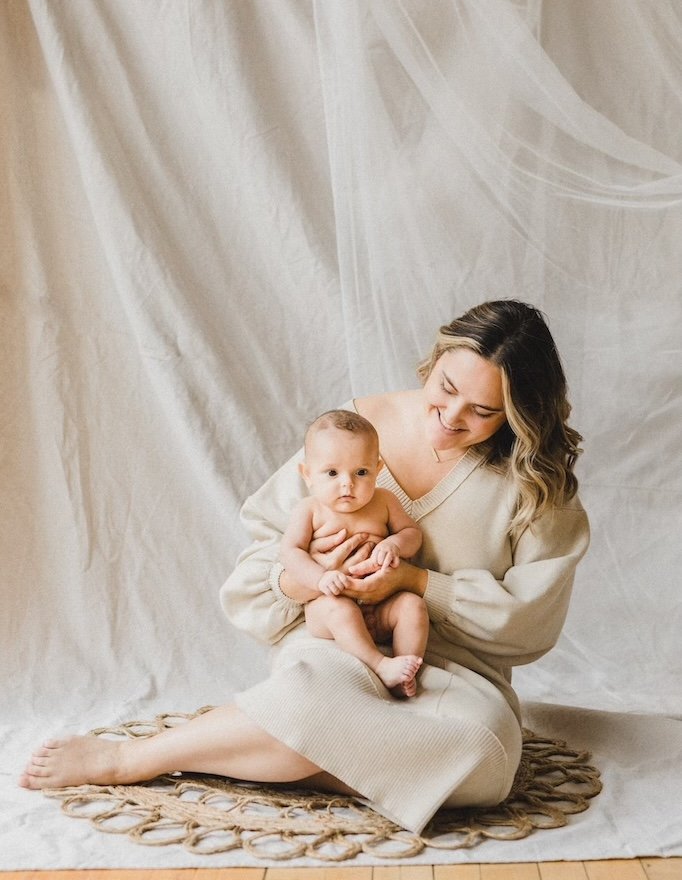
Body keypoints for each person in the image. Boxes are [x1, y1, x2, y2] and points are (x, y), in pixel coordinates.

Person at [19, 299, 589, 838]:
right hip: (336, 642)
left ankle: (282, 749)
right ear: (435, 358)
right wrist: (313, 575)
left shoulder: (535, 483)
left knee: (487, 759)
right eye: (445, 389)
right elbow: (260, 563)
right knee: (315, 698)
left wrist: (416, 582)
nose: (450, 418)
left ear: (519, 414)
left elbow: (531, 621)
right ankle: (134, 758)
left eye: (484, 412)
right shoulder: (353, 431)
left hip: (454, 677)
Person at [282, 408, 428, 697]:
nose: (347, 483)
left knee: (413, 606)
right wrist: (320, 577)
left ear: (378, 469)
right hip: (331, 607)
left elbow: (413, 534)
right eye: (332, 473)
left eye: (361, 472)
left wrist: (394, 544)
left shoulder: (385, 501)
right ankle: (381, 664)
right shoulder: (309, 510)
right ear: (307, 474)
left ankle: (406, 671)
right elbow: (290, 552)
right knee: (340, 610)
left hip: (383, 606)